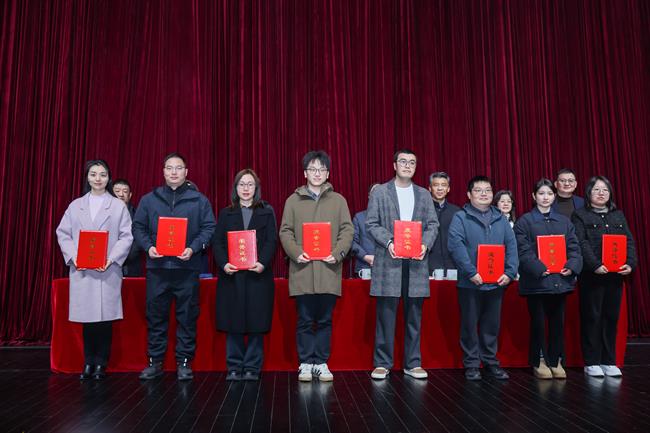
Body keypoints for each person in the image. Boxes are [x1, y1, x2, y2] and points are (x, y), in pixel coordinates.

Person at [133, 152, 216, 381]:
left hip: (187, 268)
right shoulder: (149, 199)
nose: (174, 172)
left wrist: (193, 248)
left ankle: (184, 362)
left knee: (187, 317)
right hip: (157, 268)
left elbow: (209, 228)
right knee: (155, 317)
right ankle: (155, 362)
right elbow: (138, 227)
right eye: (169, 168)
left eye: (178, 168)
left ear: (186, 172)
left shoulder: (199, 200)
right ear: (163, 172)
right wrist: (149, 247)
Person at [279, 150, 353, 382]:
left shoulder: (338, 200)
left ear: (328, 173)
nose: (317, 173)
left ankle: (321, 362)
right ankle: (305, 363)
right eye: (312, 169)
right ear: (305, 173)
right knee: (304, 320)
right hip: (302, 270)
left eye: (322, 169)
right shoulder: (293, 201)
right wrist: (295, 253)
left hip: (328, 270)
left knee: (324, 320)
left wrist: (337, 253)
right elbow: (285, 231)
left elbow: (347, 230)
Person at [56, 159, 133, 380]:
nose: (98, 179)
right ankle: (88, 362)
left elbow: (126, 236)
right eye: (93, 174)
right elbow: (63, 233)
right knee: (88, 319)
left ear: (108, 178)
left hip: (107, 270)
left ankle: (101, 363)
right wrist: (74, 257)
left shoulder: (118, 206)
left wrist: (112, 259)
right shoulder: (75, 205)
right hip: (83, 270)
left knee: (105, 320)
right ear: (87, 177)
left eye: (102, 174)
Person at [366, 149, 439, 380]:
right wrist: (389, 242)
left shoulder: (424, 194)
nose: (408, 165)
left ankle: (413, 363)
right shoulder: (381, 192)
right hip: (389, 261)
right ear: (394, 165)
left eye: (412, 162)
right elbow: (371, 223)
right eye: (403, 161)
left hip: (416, 263)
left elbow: (433, 225)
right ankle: (382, 363)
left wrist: (425, 245)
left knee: (414, 316)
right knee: (386, 316)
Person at [448, 175, 518, 381]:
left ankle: (490, 361)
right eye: (478, 190)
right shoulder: (460, 217)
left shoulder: (501, 218)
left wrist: (510, 272)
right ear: (469, 195)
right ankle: (471, 364)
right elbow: (456, 246)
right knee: (469, 325)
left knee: (491, 325)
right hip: (470, 283)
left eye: (487, 190)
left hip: (497, 282)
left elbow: (511, 246)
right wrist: (471, 272)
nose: (483, 194)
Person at [514, 178, 582, 379]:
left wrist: (572, 266)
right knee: (538, 323)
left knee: (558, 323)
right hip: (537, 282)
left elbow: (574, 247)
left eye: (550, 194)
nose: (545, 197)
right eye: (541, 193)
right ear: (534, 196)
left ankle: (556, 360)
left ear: (554, 196)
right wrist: (539, 268)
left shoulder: (564, 221)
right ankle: (539, 360)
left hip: (560, 281)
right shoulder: (524, 221)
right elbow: (522, 250)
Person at [212, 169, 277, 381]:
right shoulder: (226, 213)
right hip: (232, 276)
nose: (246, 188)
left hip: (258, 275)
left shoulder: (267, 212)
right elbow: (217, 242)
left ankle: (252, 367)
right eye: (242, 184)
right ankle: (234, 366)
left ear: (256, 188)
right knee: (233, 322)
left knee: (257, 322)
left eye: (250, 184)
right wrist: (224, 264)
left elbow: (272, 241)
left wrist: (262, 263)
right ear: (236, 188)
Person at [572, 176, 637, 377]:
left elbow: (629, 241)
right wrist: (595, 265)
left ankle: (608, 361)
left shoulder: (618, 215)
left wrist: (630, 263)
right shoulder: (580, 215)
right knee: (592, 317)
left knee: (611, 317)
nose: (601, 193)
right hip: (592, 276)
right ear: (589, 193)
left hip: (615, 276)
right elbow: (581, 242)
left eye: (605, 190)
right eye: (597, 189)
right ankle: (591, 362)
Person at [427, 171, 461, 275]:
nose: (440, 188)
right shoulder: (423, 211)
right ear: (430, 188)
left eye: (443, 185)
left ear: (448, 189)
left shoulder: (457, 212)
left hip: (452, 266)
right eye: (436, 185)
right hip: (428, 266)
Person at [113, 179, 143, 277]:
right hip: (107, 266)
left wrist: (121, 256)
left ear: (130, 195)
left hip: (131, 265)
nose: (121, 194)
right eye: (117, 191)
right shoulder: (103, 215)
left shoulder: (138, 216)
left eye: (125, 191)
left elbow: (139, 241)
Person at [351, 183, 380, 277]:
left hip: (388, 269)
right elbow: (351, 242)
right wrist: (365, 257)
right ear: (369, 196)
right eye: (374, 192)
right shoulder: (359, 217)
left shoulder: (393, 219)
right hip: (365, 267)